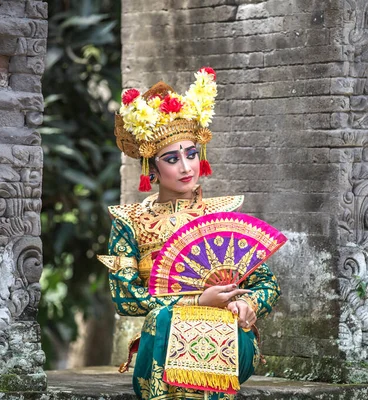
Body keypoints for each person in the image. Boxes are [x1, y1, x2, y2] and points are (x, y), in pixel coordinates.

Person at [98, 68, 281, 400]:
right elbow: (126, 298)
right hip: (162, 344)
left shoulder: (221, 216)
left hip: (229, 339)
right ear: (150, 169)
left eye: (191, 154)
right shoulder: (130, 221)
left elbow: (267, 283)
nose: (186, 167)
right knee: (163, 318)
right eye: (171, 158)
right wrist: (196, 301)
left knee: (210, 328)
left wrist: (250, 304)